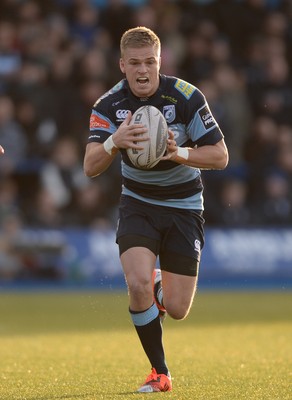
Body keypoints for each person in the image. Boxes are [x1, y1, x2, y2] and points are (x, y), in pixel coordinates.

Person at [83, 26, 228, 393]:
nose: (143, 70)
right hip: (139, 203)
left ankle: (159, 282)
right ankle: (159, 371)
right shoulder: (108, 106)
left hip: (183, 206)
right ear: (122, 65)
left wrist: (178, 152)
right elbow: (90, 166)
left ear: (160, 61)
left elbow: (220, 156)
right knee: (136, 284)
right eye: (135, 63)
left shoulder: (186, 97)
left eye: (150, 61)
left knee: (177, 309)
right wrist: (115, 141)